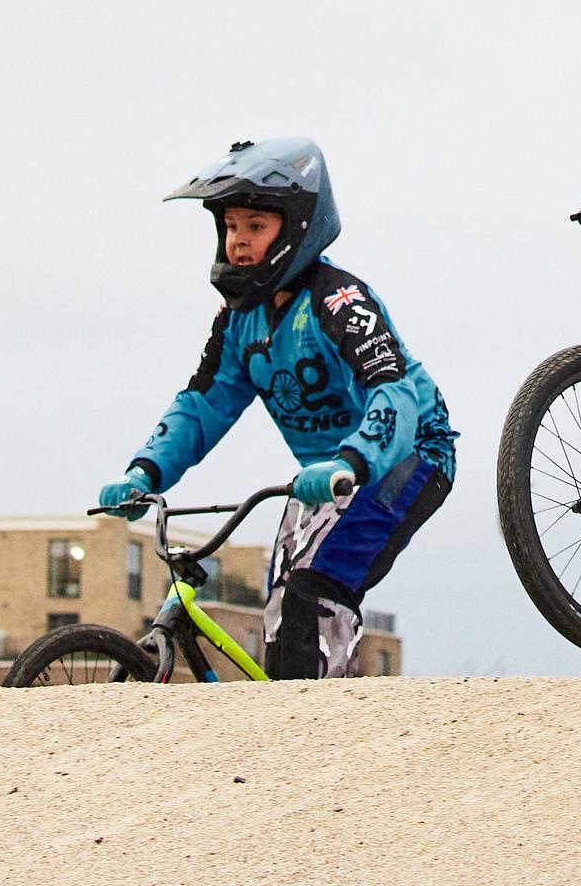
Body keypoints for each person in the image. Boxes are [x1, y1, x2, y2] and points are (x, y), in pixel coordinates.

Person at [95, 137, 457, 679]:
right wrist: (143, 471)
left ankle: (326, 735)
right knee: (280, 614)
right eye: (230, 227)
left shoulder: (340, 301)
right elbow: (203, 403)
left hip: (408, 455)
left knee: (317, 590)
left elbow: (395, 392)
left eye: (255, 227)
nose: (238, 242)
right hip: (325, 473)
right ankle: (278, 737)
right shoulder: (240, 321)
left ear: (297, 228)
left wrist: (351, 463)